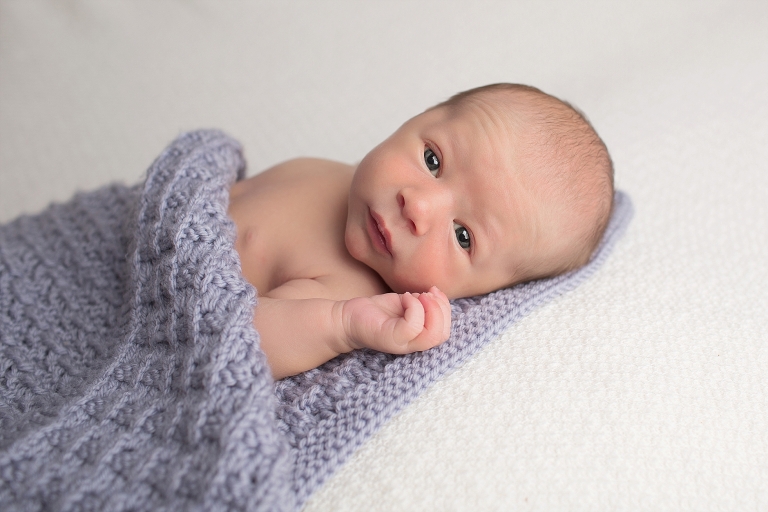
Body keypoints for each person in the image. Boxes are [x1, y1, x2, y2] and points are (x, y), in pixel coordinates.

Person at [227, 83, 614, 379]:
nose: (418, 206)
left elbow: (232, 341)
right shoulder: (331, 172)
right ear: (419, 116)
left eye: (463, 236)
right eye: (432, 160)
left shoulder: (348, 290)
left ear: (479, 293)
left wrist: (341, 326)